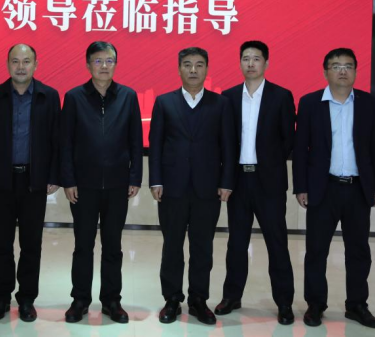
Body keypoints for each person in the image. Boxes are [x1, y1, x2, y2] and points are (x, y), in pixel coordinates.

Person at [293, 48, 375, 329]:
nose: (342, 71)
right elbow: (300, 149)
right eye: (336, 66)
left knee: (358, 251)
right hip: (324, 188)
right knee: (316, 250)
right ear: (325, 72)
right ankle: (315, 304)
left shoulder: (368, 103)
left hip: (358, 189)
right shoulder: (310, 103)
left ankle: (356, 305)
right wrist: (301, 186)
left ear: (355, 71)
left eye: (348, 66)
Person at [149, 47, 236, 325]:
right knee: (172, 246)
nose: (193, 70)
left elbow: (228, 146)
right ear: (179, 69)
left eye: (199, 65)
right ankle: (172, 299)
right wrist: (155, 180)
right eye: (187, 64)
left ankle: (199, 300)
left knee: (202, 247)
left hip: (207, 189)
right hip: (171, 188)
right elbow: (156, 144)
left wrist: (226, 182)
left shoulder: (220, 104)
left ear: (207, 69)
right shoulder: (164, 102)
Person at [60, 41, 144, 324]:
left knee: (113, 246)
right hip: (83, 186)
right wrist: (68, 179)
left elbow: (135, 140)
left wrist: (135, 177)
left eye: (109, 61)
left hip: (118, 185)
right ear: (88, 65)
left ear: (116, 64)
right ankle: (80, 300)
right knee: (83, 245)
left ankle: (111, 301)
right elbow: (65, 142)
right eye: (98, 61)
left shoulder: (128, 96)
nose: (104, 66)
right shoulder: (74, 97)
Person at [0, 44, 61, 323]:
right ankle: (0, 298)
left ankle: (26, 299)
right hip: (1, 180)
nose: (21, 67)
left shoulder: (49, 96)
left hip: (34, 181)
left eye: (26, 61)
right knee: (0, 243)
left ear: (36, 64)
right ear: (7, 64)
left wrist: (53, 175)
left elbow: (56, 140)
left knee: (31, 244)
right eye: (16, 61)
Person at [217, 40, 296, 324]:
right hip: (238, 181)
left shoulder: (281, 96)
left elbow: (288, 140)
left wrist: (270, 165)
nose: (250, 63)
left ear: (266, 63)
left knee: (277, 243)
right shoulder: (227, 97)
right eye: (246, 58)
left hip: (269, 182)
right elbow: (224, 141)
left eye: (256, 58)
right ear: (239, 62)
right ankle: (232, 296)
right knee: (236, 243)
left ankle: (284, 302)